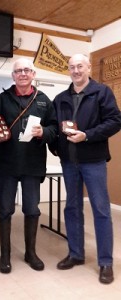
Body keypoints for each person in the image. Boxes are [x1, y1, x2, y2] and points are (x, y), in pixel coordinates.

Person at [0, 58, 57, 273]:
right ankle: (5, 255)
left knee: (32, 210)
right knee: (5, 210)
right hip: (7, 165)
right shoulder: (2, 100)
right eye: (18, 71)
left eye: (26, 70)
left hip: (33, 165)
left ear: (33, 74)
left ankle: (30, 253)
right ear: (13, 76)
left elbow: (54, 128)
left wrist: (45, 132)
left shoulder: (44, 101)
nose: (22, 73)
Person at [49, 53, 121, 284]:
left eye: (80, 66)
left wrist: (87, 136)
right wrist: (56, 149)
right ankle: (76, 254)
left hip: (94, 161)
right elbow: (52, 126)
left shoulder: (102, 93)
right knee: (71, 208)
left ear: (89, 67)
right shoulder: (60, 98)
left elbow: (115, 121)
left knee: (101, 210)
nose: (76, 70)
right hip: (69, 162)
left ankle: (105, 262)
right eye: (72, 67)